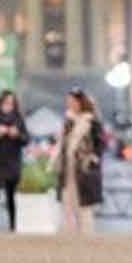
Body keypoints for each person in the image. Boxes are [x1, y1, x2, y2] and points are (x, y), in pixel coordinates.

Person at [54, 89, 104, 235]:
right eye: (68, 101)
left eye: (73, 101)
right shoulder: (68, 120)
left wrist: (93, 159)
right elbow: (62, 143)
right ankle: (68, 236)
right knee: (67, 202)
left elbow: (100, 144)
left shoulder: (91, 121)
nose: (70, 104)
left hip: (84, 168)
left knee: (84, 205)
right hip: (67, 167)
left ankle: (86, 236)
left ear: (80, 102)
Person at [0, 90, 30, 231]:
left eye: (11, 103)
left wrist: (17, 134)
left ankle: (12, 225)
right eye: (6, 102)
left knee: (11, 196)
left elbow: (26, 139)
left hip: (12, 163)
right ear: (0, 103)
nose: (8, 105)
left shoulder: (19, 120)